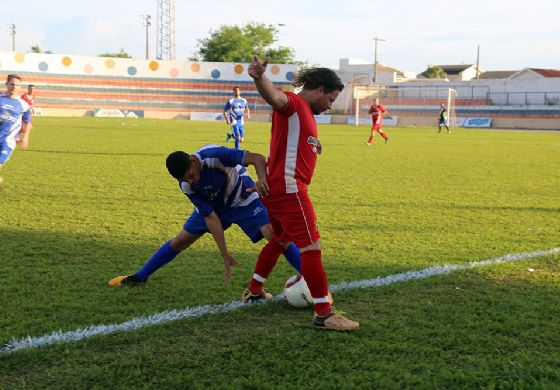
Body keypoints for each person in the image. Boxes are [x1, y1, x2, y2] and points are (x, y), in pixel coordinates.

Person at [242, 56, 359, 331]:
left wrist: (314, 145)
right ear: (319, 89)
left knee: (280, 241)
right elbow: (274, 97)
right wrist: (259, 77)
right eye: (330, 99)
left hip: (280, 190)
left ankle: (254, 290)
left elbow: (297, 142)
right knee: (311, 248)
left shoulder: (304, 114)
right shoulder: (294, 104)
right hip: (290, 190)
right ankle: (324, 314)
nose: (330, 106)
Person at [108, 144, 301, 287]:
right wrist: (224, 254)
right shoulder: (186, 185)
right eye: (185, 180)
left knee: (274, 236)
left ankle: (313, 279)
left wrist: (262, 180)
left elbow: (257, 158)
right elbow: (211, 218)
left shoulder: (214, 155)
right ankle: (140, 277)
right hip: (215, 206)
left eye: (190, 175)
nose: (190, 181)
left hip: (242, 198)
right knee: (180, 241)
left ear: (193, 161)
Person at [0, 74, 32, 185]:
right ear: (6, 84)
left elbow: (28, 122)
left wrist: (25, 138)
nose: (14, 87)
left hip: (8, 141)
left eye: (17, 85)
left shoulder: (23, 104)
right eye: (12, 84)